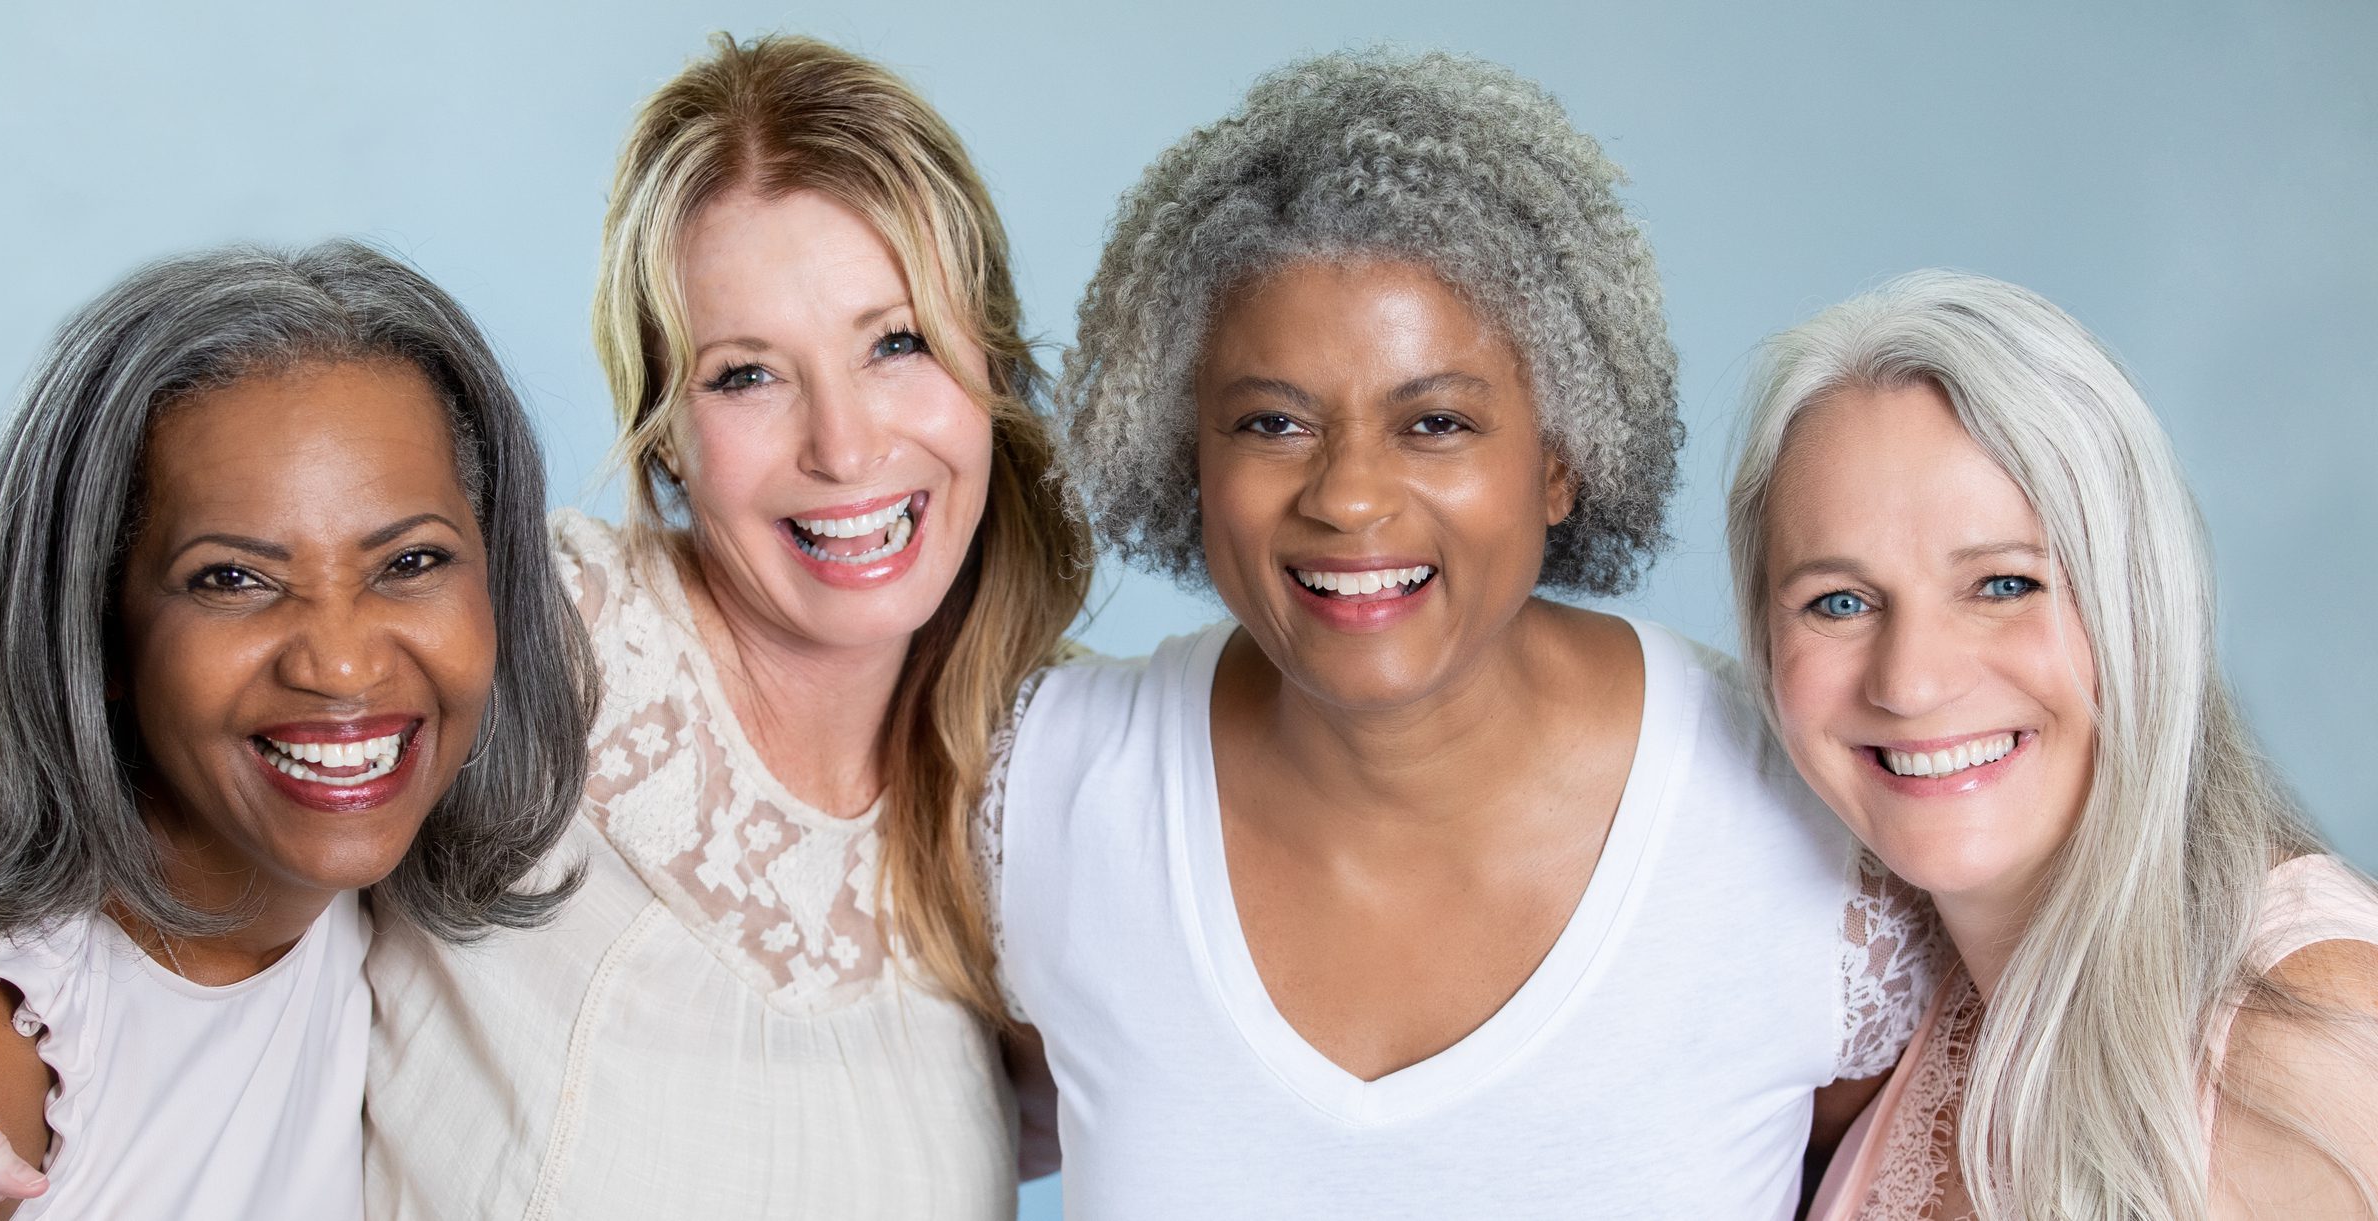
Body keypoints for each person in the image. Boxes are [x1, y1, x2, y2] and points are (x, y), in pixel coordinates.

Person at [983, 48, 1933, 1217]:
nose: (1347, 497)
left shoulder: (1803, 831)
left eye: (1434, 421)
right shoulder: (1044, 798)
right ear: (1190, 460)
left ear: (1558, 464)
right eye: (1272, 422)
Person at [359, 34, 1090, 1218]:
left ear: (987, 370)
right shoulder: (534, 641)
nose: (844, 448)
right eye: (746, 374)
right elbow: (121, 753)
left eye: (895, 343)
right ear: (665, 439)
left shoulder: (1042, 793)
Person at [0, 241, 596, 1220]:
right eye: (232, 579)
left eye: (409, 562)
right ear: (97, 631)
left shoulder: (376, 907)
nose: (342, 664)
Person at [1728, 270, 2378, 1219]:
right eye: (1840, 601)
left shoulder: (2310, 1043)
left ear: (2138, 603)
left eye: (2002, 584)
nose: (1909, 681)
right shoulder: (1889, 1010)